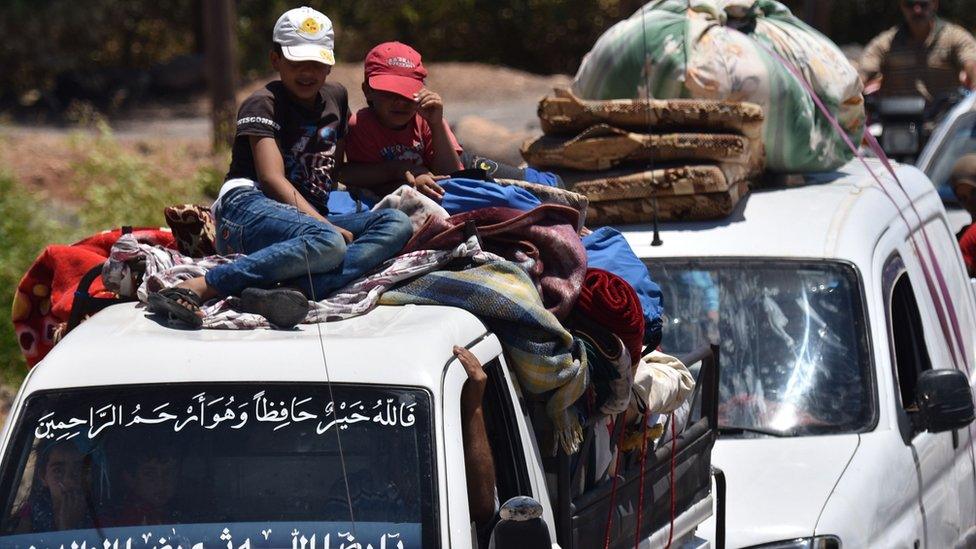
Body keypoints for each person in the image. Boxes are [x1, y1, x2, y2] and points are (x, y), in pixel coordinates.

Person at [148, 7, 413, 329]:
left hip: (305, 218)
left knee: (396, 222)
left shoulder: (336, 98)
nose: (307, 72)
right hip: (248, 208)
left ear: (330, 62)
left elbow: (332, 171)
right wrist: (324, 226)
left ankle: (283, 293)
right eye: (296, 62)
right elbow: (271, 178)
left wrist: (398, 171)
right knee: (328, 242)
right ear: (275, 60)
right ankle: (202, 286)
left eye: (317, 63)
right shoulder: (262, 103)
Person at [342, 41, 464, 201]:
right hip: (405, 189)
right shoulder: (360, 125)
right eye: (389, 93)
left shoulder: (427, 117)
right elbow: (368, 184)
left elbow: (453, 174)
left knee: (506, 189)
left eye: (408, 93)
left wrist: (436, 124)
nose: (400, 102)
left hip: (459, 158)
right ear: (368, 91)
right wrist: (406, 175)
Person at [860, 0, 976, 98]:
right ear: (902, 5)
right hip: (897, 119)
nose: (917, 10)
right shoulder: (886, 42)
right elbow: (864, 70)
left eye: (923, 4)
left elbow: (971, 62)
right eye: (910, 5)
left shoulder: (954, 37)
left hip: (946, 119)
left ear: (935, 4)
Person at [15, 442, 93, 533]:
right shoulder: (33, 512)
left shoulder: (98, 514)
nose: (69, 479)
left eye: (78, 469)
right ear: (43, 476)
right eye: (58, 471)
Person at [951, 154, 976, 277]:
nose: (969, 202)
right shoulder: (965, 234)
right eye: (962, 198)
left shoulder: (971, 236)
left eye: (974, 193)